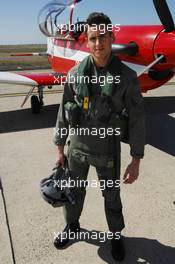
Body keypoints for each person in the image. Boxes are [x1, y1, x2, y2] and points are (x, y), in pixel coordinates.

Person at [53, 12, 145, 262]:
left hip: (108, 152)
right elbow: (63, 111)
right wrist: (60, 148)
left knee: (112, 196)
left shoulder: (126, 77)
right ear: (87, 40)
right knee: (73, 193)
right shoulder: (74, 74)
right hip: (77, 150)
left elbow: (137, 120)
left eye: (103, 37)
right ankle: (72, 227)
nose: (98, 43)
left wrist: (136, 159)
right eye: (93, 38)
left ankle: (116, 235)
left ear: (111, 37)